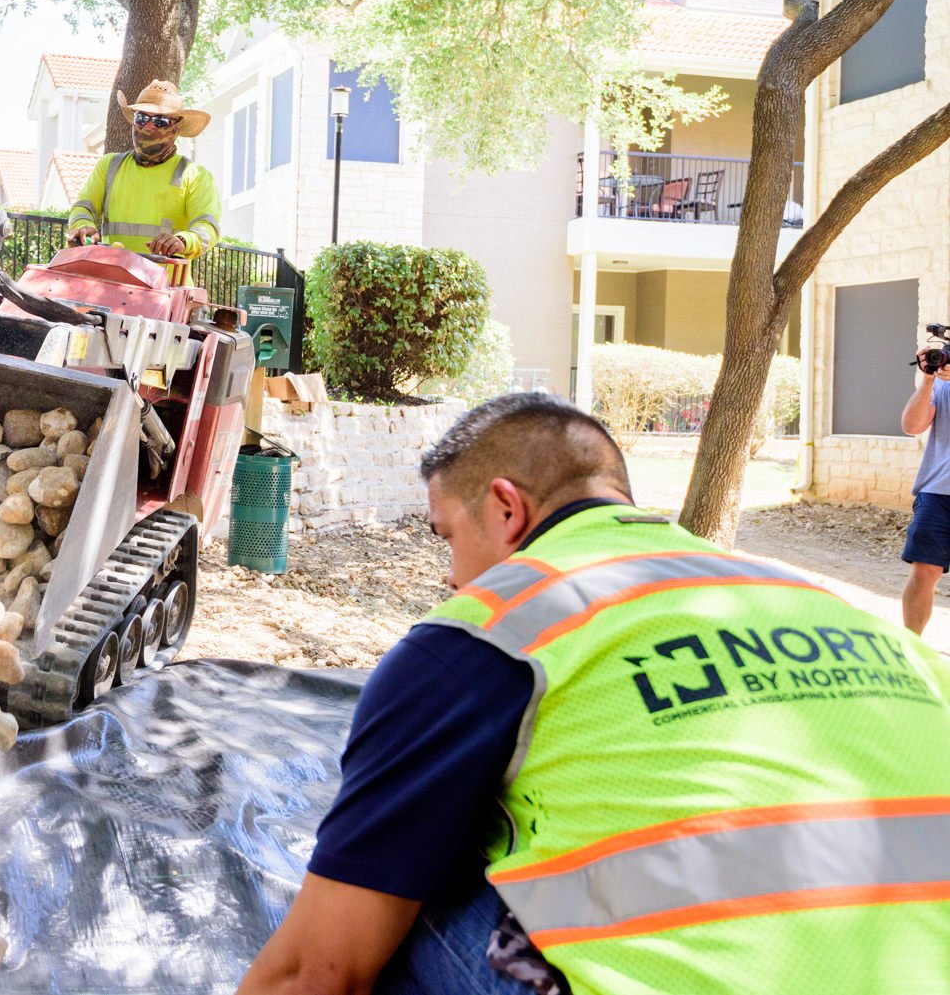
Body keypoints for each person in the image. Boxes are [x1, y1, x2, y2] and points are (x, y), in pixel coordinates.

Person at [238, 392, 950, 995]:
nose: (453, 577)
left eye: (447, 536)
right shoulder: (839, 610)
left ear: (507, 508)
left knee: (408, 876)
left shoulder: (483, 636)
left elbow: (316, 970)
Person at [67, 80, 220, 261]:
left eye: (160, 121)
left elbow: (208, 227)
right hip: (113, 280)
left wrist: (183, 241)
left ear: (175, 129)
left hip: (166, 285)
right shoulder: (109, 166)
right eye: (141, 118)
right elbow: (83, 207)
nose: (148, 126)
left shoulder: (196, 176)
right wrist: (83, 226)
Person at [898, 345, 950, 632]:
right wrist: (928, 379)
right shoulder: (942, 383)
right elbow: (911, 425)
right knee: (923, 572)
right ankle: (911, 648)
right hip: (938, 491)